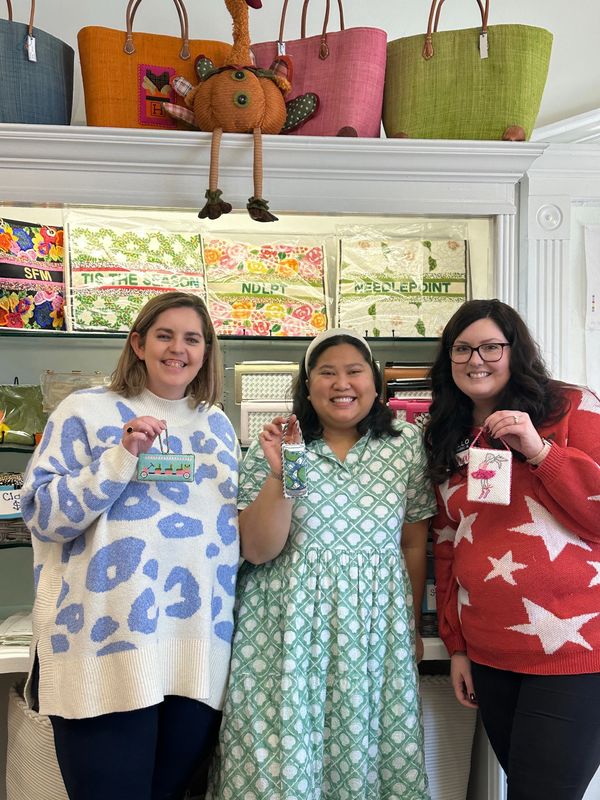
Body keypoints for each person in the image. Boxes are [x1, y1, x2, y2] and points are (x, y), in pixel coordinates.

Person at [20, 291, 241, 800]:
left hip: (195, 662)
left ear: (207, 351)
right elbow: (43, 516)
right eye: (165, 335)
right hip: (103, 656)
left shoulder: (217, 425)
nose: (178, 349)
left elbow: (225, 541)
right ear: (138, 343)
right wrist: (120, 457)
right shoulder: (86, 410)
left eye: (193, 338)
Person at [207, 328, 436, 800]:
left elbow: (413, 542)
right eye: (326, 372)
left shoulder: (405, 446)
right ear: (307, 386)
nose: (341, 383)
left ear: (375, 384)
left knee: (365, 758)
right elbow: (255, 549)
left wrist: (411, 625)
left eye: (355, 371)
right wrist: (281, 469)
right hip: (286, 635)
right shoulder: (282, 444)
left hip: (374, 635)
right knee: (278, 764)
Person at [424, 298, 600, 800]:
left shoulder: (571, 408)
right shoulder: (447, 433)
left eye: (490, 347)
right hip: (492, 653)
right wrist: (457, 647)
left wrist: (539, 451)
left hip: (576, 651)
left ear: (515, 350)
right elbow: (447, 544)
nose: (475, 360)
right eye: (461, 349)